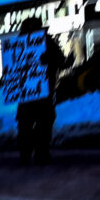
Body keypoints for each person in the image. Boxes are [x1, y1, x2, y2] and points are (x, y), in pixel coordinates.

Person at [15, 31, 64, 167]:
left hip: (31, 94)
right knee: (41, 124)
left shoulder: (20, 43)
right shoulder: (45, 43)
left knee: (28, 125)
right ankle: (38, 153)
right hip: (39, 93)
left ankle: (29, 153)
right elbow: (60, 61)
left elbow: (59, 61)